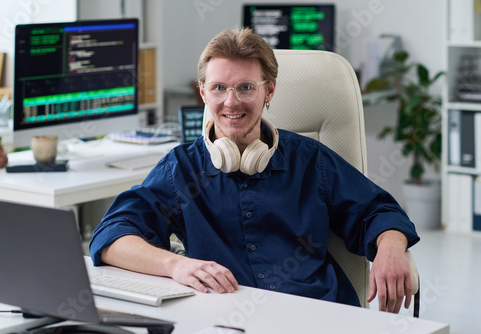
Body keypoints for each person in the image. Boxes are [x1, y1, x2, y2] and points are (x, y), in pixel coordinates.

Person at [90, 28, 419, 314]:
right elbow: (111, 236)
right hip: (226, 316)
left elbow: (378, 211)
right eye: (219, 88)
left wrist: (390, 248)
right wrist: (176, 265)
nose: (231, 102)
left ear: (269, 91)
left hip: (316, 314)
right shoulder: (181, 169)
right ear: (203, 92)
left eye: (246, 87)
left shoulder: (310, 161)